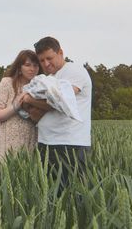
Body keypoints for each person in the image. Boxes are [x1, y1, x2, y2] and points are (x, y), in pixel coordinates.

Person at [23, 36, 92, 186]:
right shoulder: (49, 78)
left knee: (71, 194)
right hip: (46, 142)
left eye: (49, 58)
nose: (46, 64)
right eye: (42, 60)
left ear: (60, 52)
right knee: (50, 193)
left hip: (70, 143)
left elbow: (60, 100)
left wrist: (29, 100)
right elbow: (36, 111)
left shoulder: (74, 71)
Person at [0, 50, 40, 163]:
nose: (32, 69)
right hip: (5, 142)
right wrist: (15, 107)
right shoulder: (7, 83)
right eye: (27, 65)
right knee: (3, 177)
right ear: (19, 67)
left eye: (36, 65)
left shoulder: (39, 88)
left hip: (29, 140)